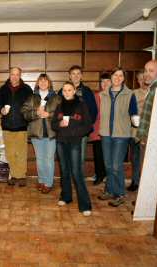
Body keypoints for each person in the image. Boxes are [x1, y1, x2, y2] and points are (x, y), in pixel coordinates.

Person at [98, 68, 138, 207]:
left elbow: (134, 113)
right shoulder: (103, 94)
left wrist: (136, 121)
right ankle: (109, 190)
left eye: (121, 75)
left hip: (121, 135)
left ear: (123, 78)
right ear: (111, 77)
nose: (118, 77)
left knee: (116, 166)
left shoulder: (129, 94)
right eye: (115, 75)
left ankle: (120, 193)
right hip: (105, 134)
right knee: (108, 165)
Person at [52, 81, 93, 216]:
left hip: (75, 142)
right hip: (61, 142)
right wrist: (60, 124)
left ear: (74, 91)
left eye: (69, 90)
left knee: (76, 172)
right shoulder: (59, 106)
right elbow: (53, 124)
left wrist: (76, 132)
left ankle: (85, 204)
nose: (67, 92)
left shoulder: (81, 105)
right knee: (64, 171)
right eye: (64, 90)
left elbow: (88, 126)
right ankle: (66, 197)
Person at [21, 74, 60, 193]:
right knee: (40, 159)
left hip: (51, 133)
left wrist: (49, 115)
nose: (43, 83)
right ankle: (42, 180)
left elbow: (61, 114)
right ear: (38, 83)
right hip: (36, 133)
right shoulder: (32, 97)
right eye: (41, 81)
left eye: (45, 81)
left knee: (48, 159)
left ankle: (48, 183)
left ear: (49, 83)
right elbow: (24, 112)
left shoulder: (56, 98)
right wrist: (36, 113)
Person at [0, 67, 33, 187]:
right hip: (7, 126)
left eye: (17, 74)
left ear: (20, 75)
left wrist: (25, 114)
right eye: (13, 74)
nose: (15, 77)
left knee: (21, 153)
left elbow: (31, 106)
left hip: (21, 125)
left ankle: (21, 176)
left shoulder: (27, 89)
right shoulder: (3, 89)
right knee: (10, 153)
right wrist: (1, 109)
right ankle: (13, 175)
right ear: (9, 75)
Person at [59, 65, 98, 179]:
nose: (75, 76)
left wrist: (85, 128)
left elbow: (93, 111)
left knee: (79, 158)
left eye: (78, 73)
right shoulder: (62, 91)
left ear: (81, 76)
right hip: (66, 132)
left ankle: (78, 182)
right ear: (69, 76)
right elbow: (57, 110)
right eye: (73, 74)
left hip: (80, 132)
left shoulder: (87, 92)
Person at [136, 60, 157, 161]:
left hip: (152, 142)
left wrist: (146, 138)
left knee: (148, 174)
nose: (146, 74)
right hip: (147, 140)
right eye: (145, 71)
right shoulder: (153, 88)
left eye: (151, 71)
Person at [127, 71, 148, 191]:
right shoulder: (133, 93)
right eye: (139, 79)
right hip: (134, 132)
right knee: (135, 158)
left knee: (147, 160)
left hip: (149, 132)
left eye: (144, 79)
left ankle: (146, 184)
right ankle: (135, 181)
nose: (142, 82)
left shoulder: (156, 93)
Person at [89, 73, 109, 185]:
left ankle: (107, 175)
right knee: (98, 154)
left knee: (108, 155)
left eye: (107, 81)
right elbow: (93, 113)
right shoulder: (96, 96)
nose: (105, 84)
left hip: (111, 131)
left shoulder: (114, 95)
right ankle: (99, 175)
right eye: (102, 82)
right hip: (97, 129)